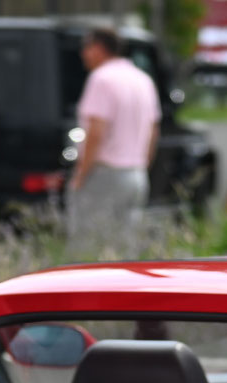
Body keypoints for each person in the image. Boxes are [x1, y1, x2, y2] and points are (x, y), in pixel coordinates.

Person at [67, 26, 159, 250]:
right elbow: (153, 129)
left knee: (89, 247)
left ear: (99, 48)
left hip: (105, 173)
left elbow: (96, 131)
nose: (83, 54)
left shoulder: (102, 79)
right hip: (136, 175)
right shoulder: (142, 79)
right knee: (125, 247)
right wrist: (143, 165)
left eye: (86, 47)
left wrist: (81, 174)